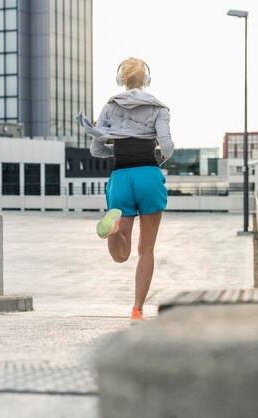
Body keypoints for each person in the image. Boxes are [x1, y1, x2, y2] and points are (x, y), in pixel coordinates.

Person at [76, 57, 174, 323]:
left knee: (122, 254)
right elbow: (166, 145)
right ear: (147, 79)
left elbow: (97, 149)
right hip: (148, 177)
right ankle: (137, 310)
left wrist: (116, 150)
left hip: (120, 177)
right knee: (146, 249)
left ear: (121, 79)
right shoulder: (158, 107)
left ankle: (114, 229)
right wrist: (160, 159)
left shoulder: (110, 106)